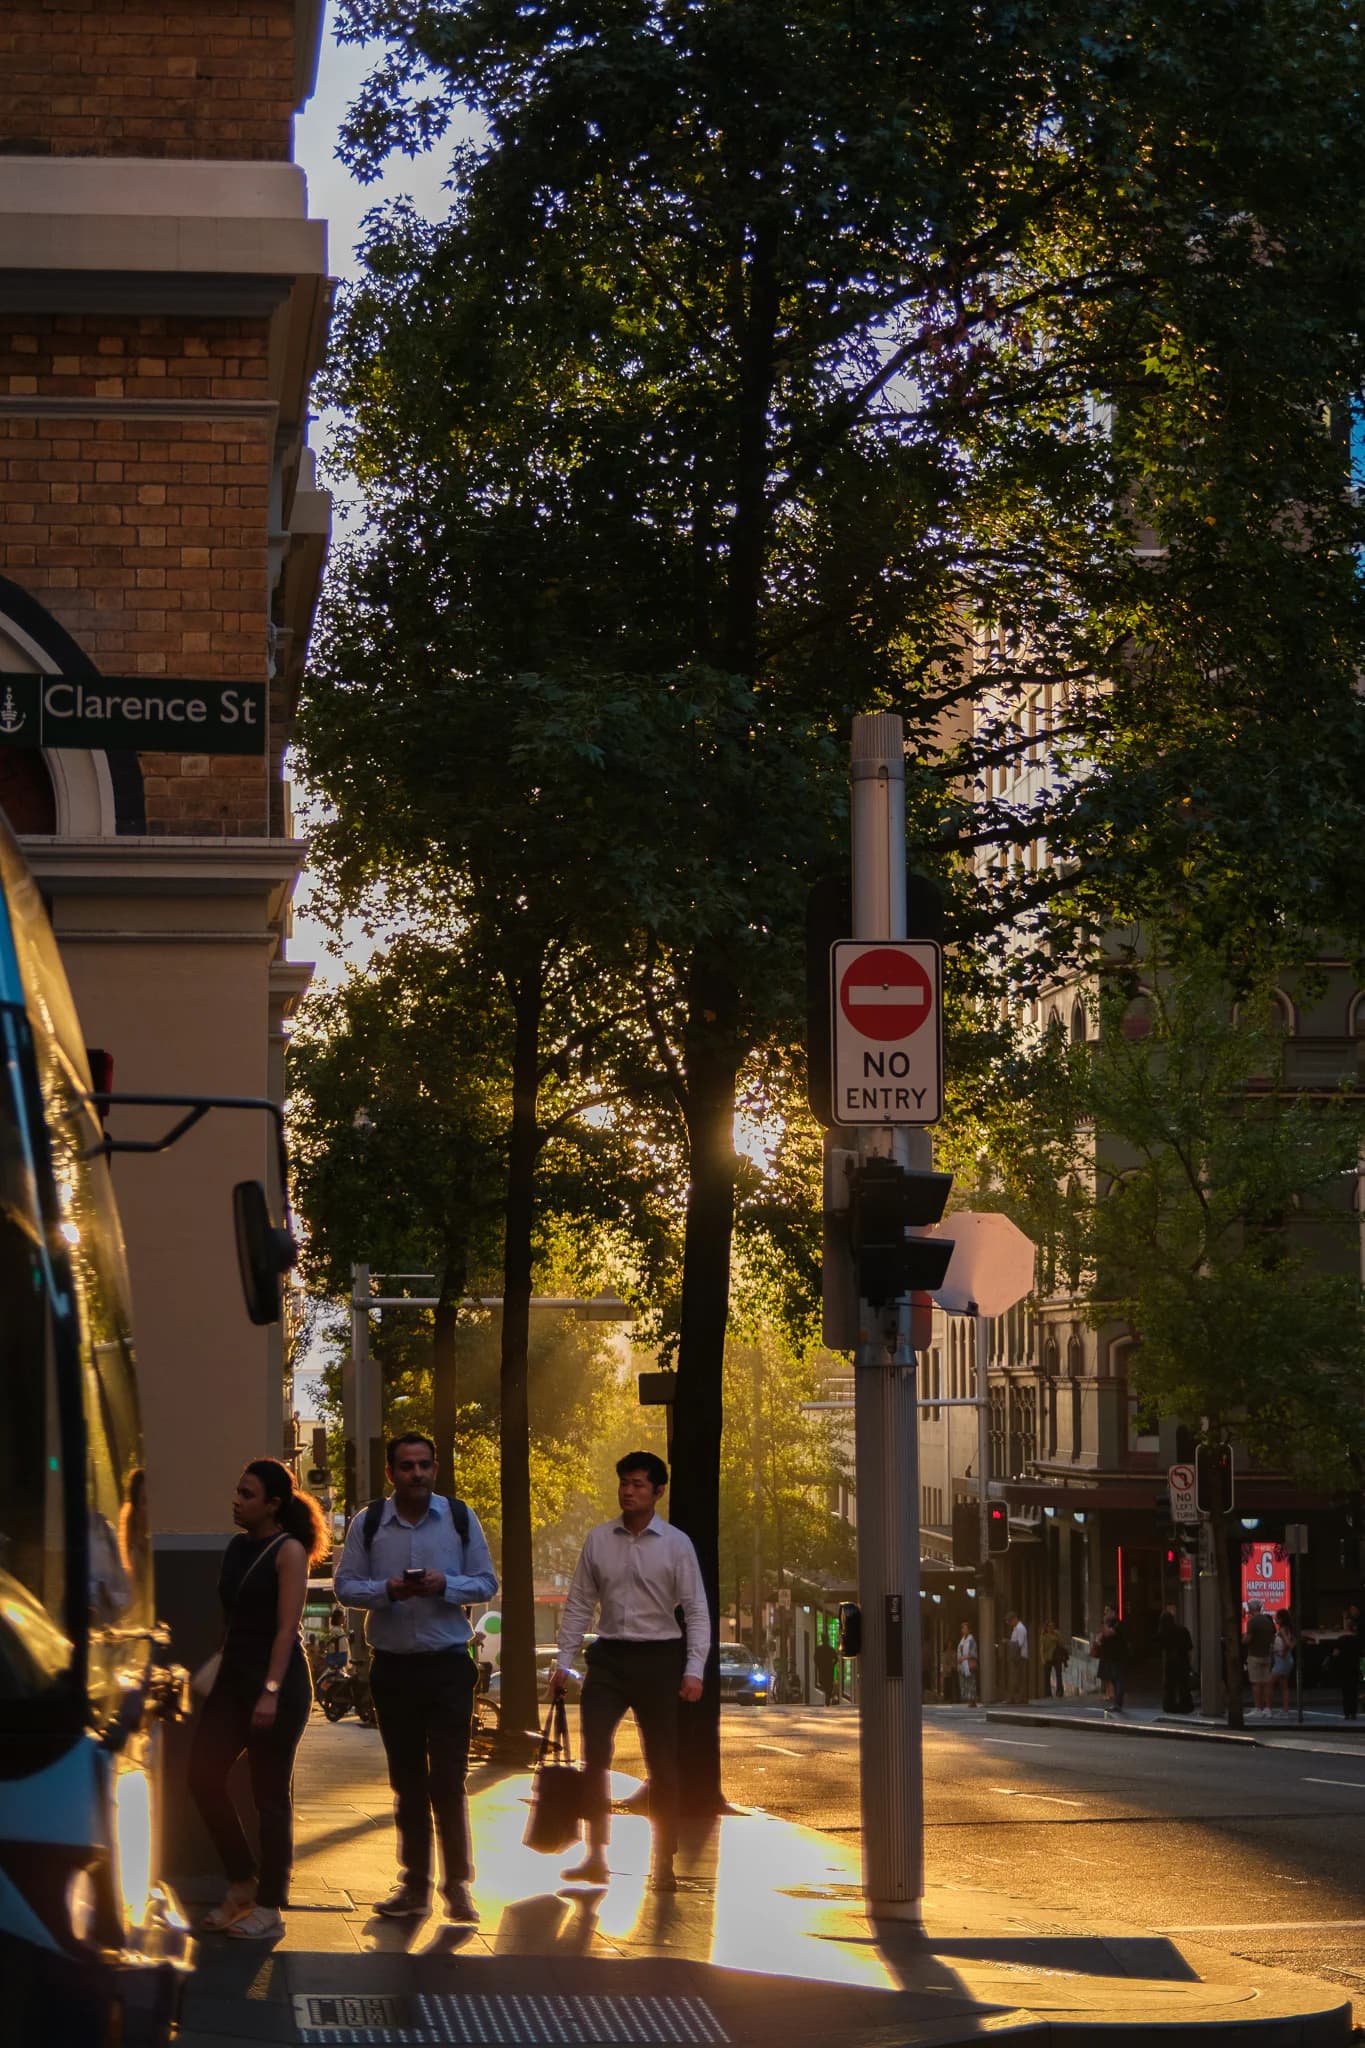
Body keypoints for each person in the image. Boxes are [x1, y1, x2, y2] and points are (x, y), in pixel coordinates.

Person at [334, 1432, 498, 1923]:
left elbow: (488, 1582)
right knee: (407, 1782)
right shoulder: (369, 1525)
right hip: (394, 1667)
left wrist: (444, 1585)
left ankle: (458, 1887)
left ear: (435, 1467)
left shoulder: (460, 1519)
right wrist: (386, 1590)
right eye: (407, 1466)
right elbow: (344, 1587)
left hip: (448, 1665)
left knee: (448, 1779)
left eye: (425, 1465)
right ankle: (415, 1886)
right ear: (391, 1473)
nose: (417, 1474)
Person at [550, 1451, 710, 1892]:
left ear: (658, 1491)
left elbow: (696, 1609)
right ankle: (596, 1856)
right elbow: (580, 1602)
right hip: (609, 1658)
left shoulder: (676, 1544)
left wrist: (693, 1669)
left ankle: (664, 1861)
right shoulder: (599, 1540)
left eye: (639, 1484)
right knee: (595, 1753)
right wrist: (564, 1661)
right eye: (624, 1482)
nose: (628, 1490)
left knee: (662, 1761)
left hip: (661, 1658)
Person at [188, 1459, 329, 1941]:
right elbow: (233, 1621)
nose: (236, 1500)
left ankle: (270, 1906)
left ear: (272, 1504)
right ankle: (242, 1883)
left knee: (269, 1796)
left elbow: (287, 1629)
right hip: (233, 1682)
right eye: (237, 1490)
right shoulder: (234, 1548)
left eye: (247, 1494)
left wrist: (269, 1692)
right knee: (202, 1776)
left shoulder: (288, 1551)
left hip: (278, 1686)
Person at [1157, 1601, 1194, 1714]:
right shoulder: (1183, 1630)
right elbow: (1189, 1649)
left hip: (1171, 1661)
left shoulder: (1163, 1633)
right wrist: (1190, 1662)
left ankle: (1169, 1705)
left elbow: (1162, 1647)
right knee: (1183, 1685)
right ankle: (1186, 1705)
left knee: (1170, 1685)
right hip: (1182, 1660)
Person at [1243, 1600, 1276, 1720]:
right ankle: (1268, 1709)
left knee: (1256, 1683)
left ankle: (1258, 1708)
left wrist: (1242, 1639)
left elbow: (1248, 1639)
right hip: (1266, 1655)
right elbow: (1272, 1637)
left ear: (1251, 1609)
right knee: (1267, 1683)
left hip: (1254, 1655)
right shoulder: (1267, 1621)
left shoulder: (1252, 1622)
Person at [1094, 1606, 1127, 1713]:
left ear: (1113, 1613)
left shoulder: (1118, 1624)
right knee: (1113, 1679)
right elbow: (1100, 1637)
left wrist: (1103, 1623)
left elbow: (1108, 1633)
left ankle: (1118, 1703)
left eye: (1108, 1612)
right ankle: (1117, 1703)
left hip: (1118, 1657)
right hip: (1110, 1657)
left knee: (1119, 1679)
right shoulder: (1109, 1624)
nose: (1106, 1614)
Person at [1271, 1609, 1295, 1717]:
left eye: (1276, 1616)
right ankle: (1285, 1710)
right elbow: (1293, 1642)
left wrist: (1283, 1652)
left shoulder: (1282, 1630)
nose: (1274, 1618)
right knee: (1284, 1685)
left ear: (1280, 1619)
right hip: (1287, 1659)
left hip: (1281, 1660)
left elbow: (1288, 1643)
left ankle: (1267, 1708)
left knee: (1269, 1683)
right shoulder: (1289, 1629)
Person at [1337, 1610, 1360, 1722]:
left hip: (1344, 1668)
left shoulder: (1341, 1639)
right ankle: (1354, 1713)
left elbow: (1335, 1653)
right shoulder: (1358, 1639)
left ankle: (1347, 1713)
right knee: (1354, 1691)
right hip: (1355, 1667)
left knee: (1345, 1691)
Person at [1040, 1619, 1068, 1700]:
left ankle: (1059, 1691)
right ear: (1046, 1627)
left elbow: (1061, 1643)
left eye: (1052, 1626)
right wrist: (1042, 1658)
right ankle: (1048, 1693)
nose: (1051, 1628)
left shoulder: (1057, 1634)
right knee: (1047, 1676)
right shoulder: (1043, 1636)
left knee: (1059, 1674)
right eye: (1049, 1626)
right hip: (1048, 1657)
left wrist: (1055, 1637)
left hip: (1056, 1657)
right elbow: (1041, 1648)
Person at [1005, 1612, 1028, 1703]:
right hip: (1016, 1656)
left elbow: (1019, 1643)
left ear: (1015, 1619)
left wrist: (1008, 1642)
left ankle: (1014, 1698)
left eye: (1010, 1621)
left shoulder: (1020, 1628)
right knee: (1018, 1677)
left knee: (1016, 1677)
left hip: (1020, 1656)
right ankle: (1020, 1697)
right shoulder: (1016, 1628)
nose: (1010, 1624)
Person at [956, 1619, 978, 1704]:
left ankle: (973, 1700)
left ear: (969, 1629)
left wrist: (964, 1658)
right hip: (962, 1664)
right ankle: (969, 1699)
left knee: (971, 1681)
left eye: (965, 1628)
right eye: (962, 1628)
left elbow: (973, 1653)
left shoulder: (971, 1640)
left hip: (969, 1663)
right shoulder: (962, 1640)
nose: (963, 1630)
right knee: (965, 1682)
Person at [813, 1636, 838, 1706]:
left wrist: (818, 1665)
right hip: (829, 1669)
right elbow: (836, 1658)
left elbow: (815, 1658)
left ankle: (827, 1695)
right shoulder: (831, 1649)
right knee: (829, 1684)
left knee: (823, 1682)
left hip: (822, 1669)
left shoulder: (818, 1649)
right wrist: (832, 1665)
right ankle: (828, 1695)